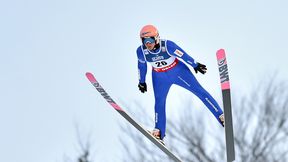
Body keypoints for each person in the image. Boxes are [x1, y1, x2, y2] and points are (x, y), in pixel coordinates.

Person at [136, 24, 224, 142]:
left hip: (178, 71)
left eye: (150, 39)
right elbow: (141, 66)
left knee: (199, 91)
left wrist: (195, 65)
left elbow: (182, 54)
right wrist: (141, 81)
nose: (148, 44)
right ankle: (158, 131)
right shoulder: (141, 51)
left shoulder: (168, 45)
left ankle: (221, 116)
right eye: (144, 41)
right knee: (159, 102)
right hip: (159, 76)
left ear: (156, 38)